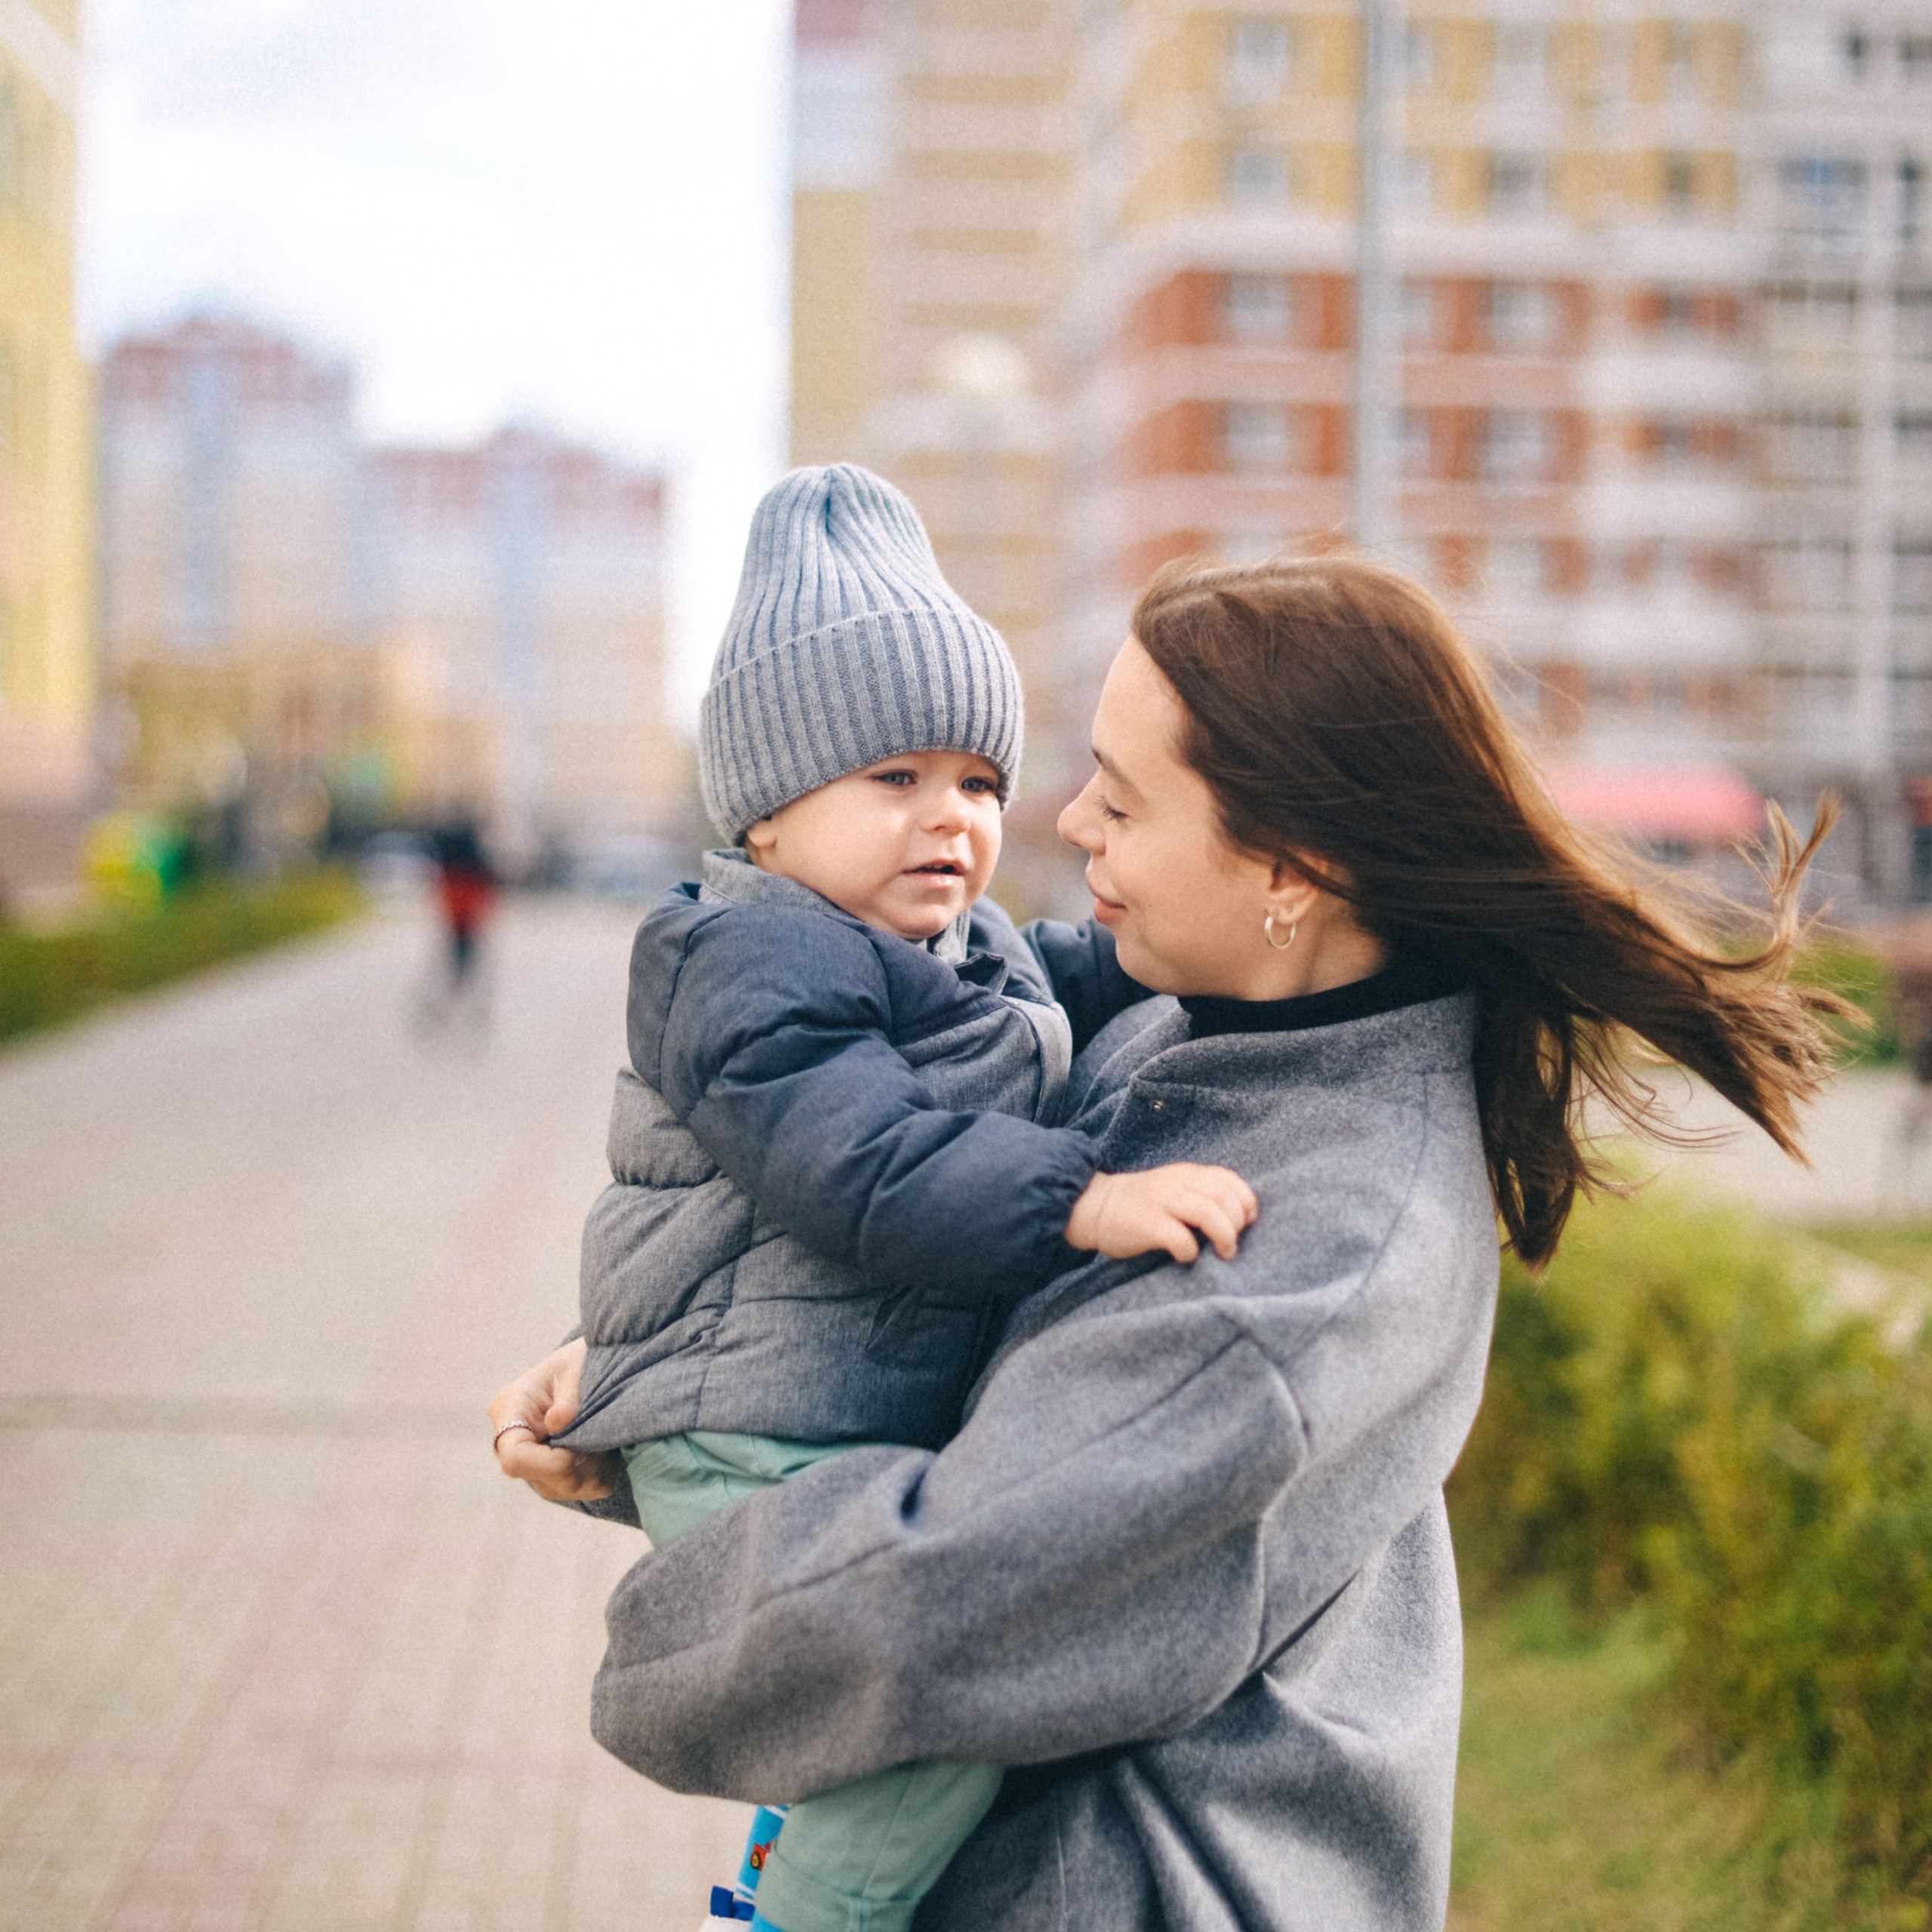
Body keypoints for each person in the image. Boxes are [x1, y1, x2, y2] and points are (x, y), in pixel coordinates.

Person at [495, 554, 1841, 1931]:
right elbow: (896, 1213)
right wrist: (659, 1374)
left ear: (1290, 870)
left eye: (1122, 801)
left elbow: (946, 1605)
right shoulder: (1183, 1027)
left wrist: (661, 1633)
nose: (1067, 822)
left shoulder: (1305, 1259)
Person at [512, 465, 1255, 1932]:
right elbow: (866, 1166)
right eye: (893, 779)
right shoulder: (744, 971)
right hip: (746, 1431)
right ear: (769, 816)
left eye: (977, 781)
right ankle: (796, 1919)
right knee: (942, 1707)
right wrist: (1081, 1202)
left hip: (834, 1412)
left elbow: (1084, 975)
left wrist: (1207, 931)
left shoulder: (963, 944)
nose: (951, 819)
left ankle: (801, 1847)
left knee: (895, 1687)